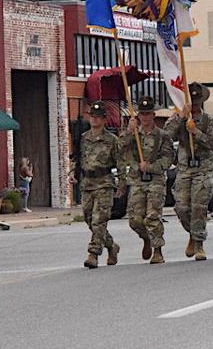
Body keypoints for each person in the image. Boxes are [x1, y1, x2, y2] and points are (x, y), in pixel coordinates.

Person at [164, 83, 213, 261]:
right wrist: (180, 118)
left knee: (198, 207)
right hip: (184, 168)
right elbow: (165, 137)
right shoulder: (180, 118)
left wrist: (195, 132)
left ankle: (198, 243)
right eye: (192, 102)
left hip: (202, 168)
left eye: (197, 103)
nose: (194, 106)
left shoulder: (209, 121)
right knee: (181, 207)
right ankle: (192, 233)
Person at [119, 96, 174, 264]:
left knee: (152, 216)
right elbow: (118, 148)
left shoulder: (162, 136)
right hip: (137, 180)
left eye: (148, 113)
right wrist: (129, 131)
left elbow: (168, 159)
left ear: (153, 115)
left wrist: (150, 167)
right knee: (135, 220)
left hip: (155, 180)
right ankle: (146, 238)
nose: (145, 117)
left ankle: (158, 250)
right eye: (142, 114)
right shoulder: (134, 133)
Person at [69, 101, 122, 269]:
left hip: (104, 183)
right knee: (89, 219)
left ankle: (93, 254)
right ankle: (111, 246)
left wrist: (122, 183)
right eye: (92, 117)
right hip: (87, 183)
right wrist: (73, 173)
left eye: (98, 117)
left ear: (104, 120)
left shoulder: (111, 140)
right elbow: (78, 158)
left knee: (100, 220)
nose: (94, 120)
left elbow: (120, 163)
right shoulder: (83, 138)